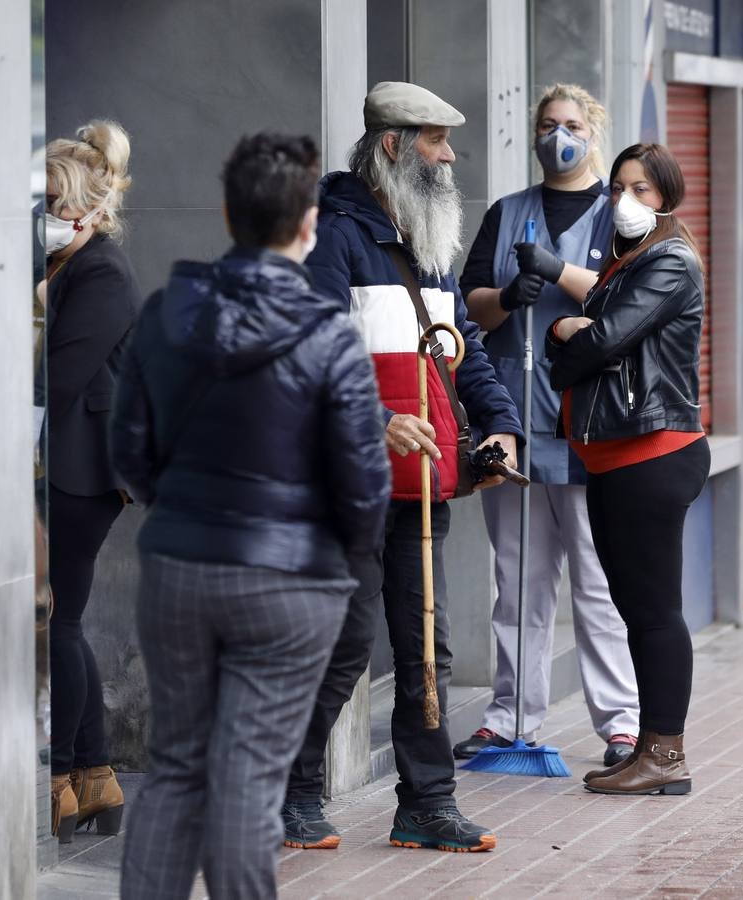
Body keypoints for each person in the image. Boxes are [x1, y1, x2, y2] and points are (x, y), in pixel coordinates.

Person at [112, 133, 391, 899]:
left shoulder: (167, 314)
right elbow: (365, 484)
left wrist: (184, 512)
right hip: (291, 580)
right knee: (246, 782)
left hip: (178, 564)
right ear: (308, 224)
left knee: (176, 768)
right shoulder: (331, 335)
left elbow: (128, 451)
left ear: (231, 212)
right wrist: (340, 562)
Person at [281, 81, 521, 854]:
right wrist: (380, 421)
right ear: (392, 146)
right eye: (434, 140)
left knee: (426, 646)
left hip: (420, 485)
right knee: (344, 644)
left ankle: (427, 803)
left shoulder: (425, 239)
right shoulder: (330, 237)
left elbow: (463, 353)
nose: (450, 155)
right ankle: (288, 790)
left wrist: (502, 425)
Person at [453, 83, 641, 769]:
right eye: (545, 124)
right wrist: (507, 297)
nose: (556, 135)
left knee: (598, 581)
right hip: (513, 424)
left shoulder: (620, 216)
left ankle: (622, 724)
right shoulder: (507, 215)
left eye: (569, 124)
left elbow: (631, 299)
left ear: (593, 131)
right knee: (518, 579)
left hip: (589, 425)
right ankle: (510, 716)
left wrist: (558, 273)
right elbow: (467, 307)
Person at [546, 143, 709, 795]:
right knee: (633, 607)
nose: (626, 201)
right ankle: (648, 744)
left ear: (666, 198)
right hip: (614, 455)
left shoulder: (669, 261)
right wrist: (576, 339)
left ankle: (666, 757)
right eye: (618, 187)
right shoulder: (626, 262)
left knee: (654, 610)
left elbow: (604, 340)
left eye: (642, 189)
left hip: (653, 452)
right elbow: (592, 347)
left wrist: (566, 332)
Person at [41, 121, 139, 840]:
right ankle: (91, 777)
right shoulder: (67, 269)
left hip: (82, 467)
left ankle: (70, 778)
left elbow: (60, 377)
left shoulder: (100, 271)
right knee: (61, 618)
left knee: (60, 618)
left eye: (52, 200)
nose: (42, 215)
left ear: (90, 207)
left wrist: (35, 311)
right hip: (66, 461)